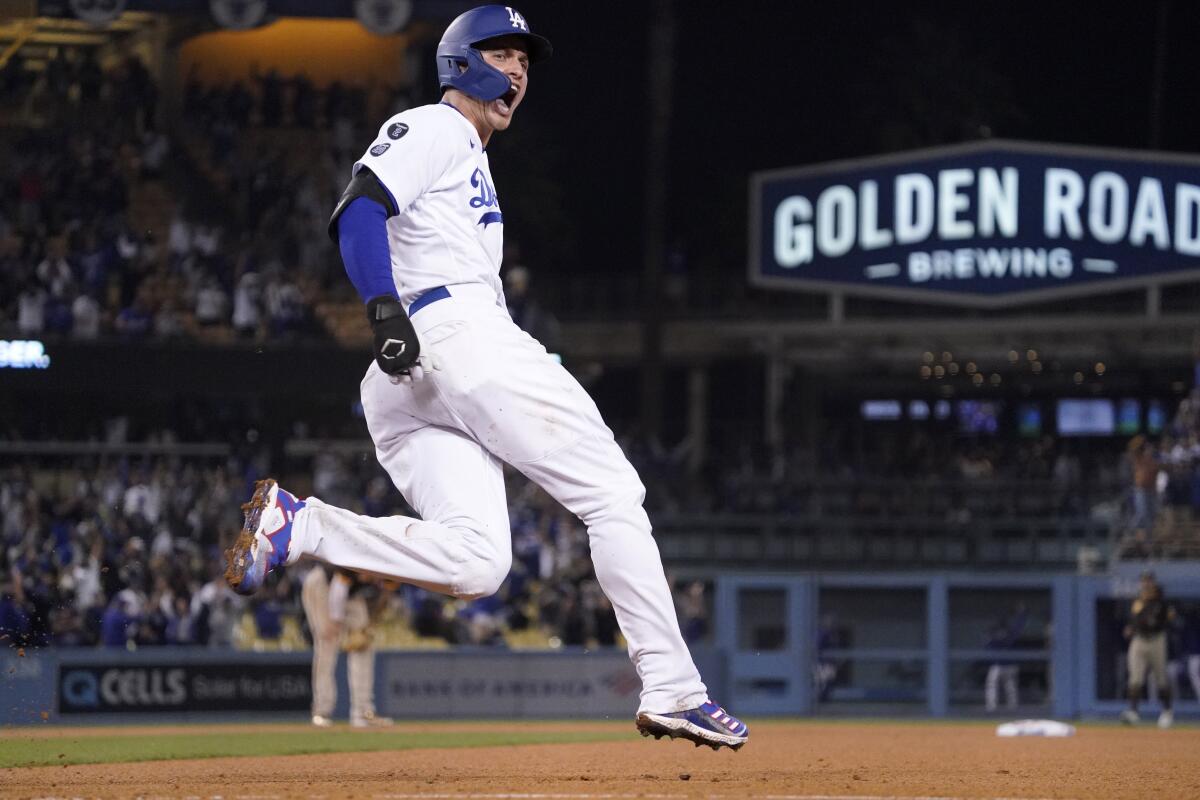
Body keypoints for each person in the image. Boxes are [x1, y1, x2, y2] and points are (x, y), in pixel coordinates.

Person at [224, 4, 747, 751]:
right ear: (461, 61)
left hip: (413, 377)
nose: (518, 72)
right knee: (614, 496)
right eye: (504, 55)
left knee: (477, 564)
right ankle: (674, 687)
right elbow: (359, 211)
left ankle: (300, 524)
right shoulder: (437, 128)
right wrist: (385, 315)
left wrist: (397, 330)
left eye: (525, 63)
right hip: (455, 338)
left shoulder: (471, 153)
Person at [301, 565, 393, 728]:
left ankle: (363, 713)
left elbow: (386, 592)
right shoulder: (356, 562)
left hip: (351, 591)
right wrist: (337, 625)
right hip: (323, 583)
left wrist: (367, 626)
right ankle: (321, 712)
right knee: (327, 643)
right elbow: (338, 591)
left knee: (364, 644)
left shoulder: (391, 566)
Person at [1120, 571, 1175, 728]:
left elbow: (1167, 620)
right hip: (1139, 640)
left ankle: (1167, 712)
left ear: (1153, 582)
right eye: (1143, 581)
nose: (1146, 584)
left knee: (1161, 679)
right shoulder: (1138, 600)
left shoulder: (1161, 601)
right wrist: (1130, 627)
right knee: (1135, 678)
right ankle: (1133, 712)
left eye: (1148, 581)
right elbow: (1134, 619)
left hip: (1156, 640)